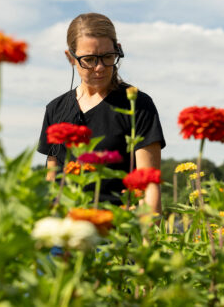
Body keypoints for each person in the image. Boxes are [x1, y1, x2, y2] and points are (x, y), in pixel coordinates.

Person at [37, 13, 166, 214]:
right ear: (70, 57)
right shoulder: (55, 109)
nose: (99, 68)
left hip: (115, 233)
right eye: (88, 59)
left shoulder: (137, 105)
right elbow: (51, 180)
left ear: (118, 50)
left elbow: (149, 187)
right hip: (65, 233)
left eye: (107, 57)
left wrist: (146, 240)